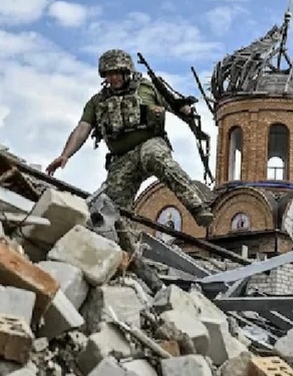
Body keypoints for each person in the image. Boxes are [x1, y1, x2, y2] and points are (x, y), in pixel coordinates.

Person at [46, 49, 214, 254]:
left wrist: (189, 116)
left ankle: (197, 207)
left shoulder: (147, 89)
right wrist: (65, 155)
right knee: (112, 207)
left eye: (117, 72)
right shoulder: (97, 102)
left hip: (149, 143)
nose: (113, 77)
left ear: (127, 72)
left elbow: (175, 105)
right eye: (109, 74)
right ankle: (126, 249)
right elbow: (82, 129)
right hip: (122, 158)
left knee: (157, 158)